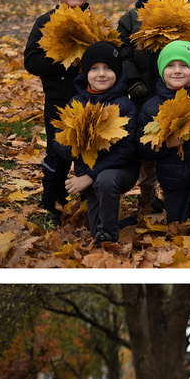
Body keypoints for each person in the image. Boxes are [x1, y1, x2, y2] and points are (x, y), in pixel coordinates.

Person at [25, 0, 98, 219]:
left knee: (90, 153)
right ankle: (52, 201)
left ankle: (91, 201)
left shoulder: (95, 22)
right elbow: (31, 60)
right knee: (58, 155)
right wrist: (66, 59)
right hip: (57, 102)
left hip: (91, 101)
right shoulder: (46, 22)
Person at [132, 42, 190, 236]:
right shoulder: (152, 106)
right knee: (177, 226)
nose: (177, 71)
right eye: (170, 65)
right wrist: (166, 144)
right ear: (161, 70)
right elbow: (141, 146)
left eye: (184, 65)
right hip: (172, 179)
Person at [63, 40, 138, 245]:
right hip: (88, 171)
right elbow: (59, 142)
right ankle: (119, 225)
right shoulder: (76, 103)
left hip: (119, 171)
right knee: (95, 229)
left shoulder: (124, 105)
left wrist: (89, 176)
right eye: (94, 68)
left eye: (108, 68)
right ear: (86, 73)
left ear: (118, 72)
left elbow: (126, 150)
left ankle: (110, 237)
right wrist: (74, 146)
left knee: (104, 181)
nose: (101, 74)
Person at [113, 0, 182, 103]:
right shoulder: (131, 19)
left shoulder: (187, 17)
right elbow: (123, 53)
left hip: (178, 95)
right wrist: (132, 80)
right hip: (142, 96)